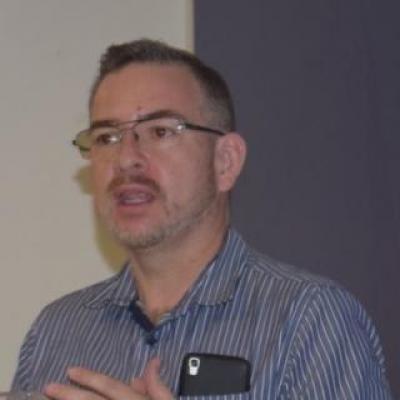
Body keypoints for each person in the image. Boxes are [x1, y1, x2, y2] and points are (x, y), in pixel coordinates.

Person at [12, 39, 392, 399]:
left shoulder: (310, 319)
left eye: (160, 131)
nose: (126, 159)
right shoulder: (56, 331)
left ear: (225, 162)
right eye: (107, 137)